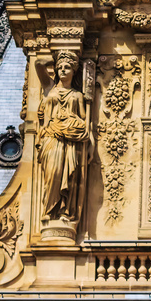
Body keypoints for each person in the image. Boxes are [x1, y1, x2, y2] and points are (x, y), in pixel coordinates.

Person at [36, 51, 93, 223]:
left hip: (71, 140)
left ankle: (64, 210)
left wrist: (91, 143)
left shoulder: (77, 95)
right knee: (53, 173)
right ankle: (49, 209)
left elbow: (85, 121)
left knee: (67, 175)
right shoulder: (49, 88)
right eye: (60, 67)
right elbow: (38, 66)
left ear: (74, 71)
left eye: (67, 67)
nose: (62, 70)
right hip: (52, 137)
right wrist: (48, 58)